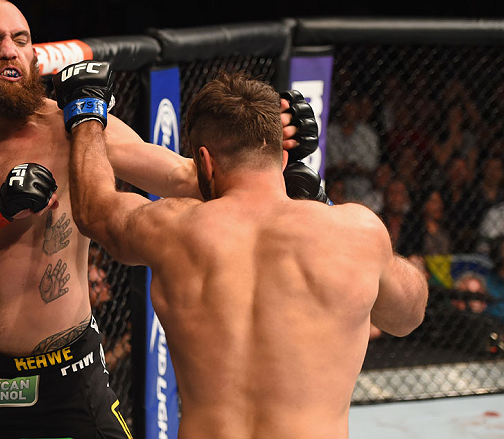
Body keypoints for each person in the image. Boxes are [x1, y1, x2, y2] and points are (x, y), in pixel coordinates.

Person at [0, 0, 317, 438]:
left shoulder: (77, 127)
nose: (9, 51)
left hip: (65, 383)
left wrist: (271, 141)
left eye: (20, 39)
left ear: (33, 53)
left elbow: (184, 175)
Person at [66, 67, 428, 438]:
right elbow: (408, 315)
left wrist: (84, 113)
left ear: (204, 161)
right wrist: (327, 207)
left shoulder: (172, 229)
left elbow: (95, 210)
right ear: (283, 159)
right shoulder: (355, 233)